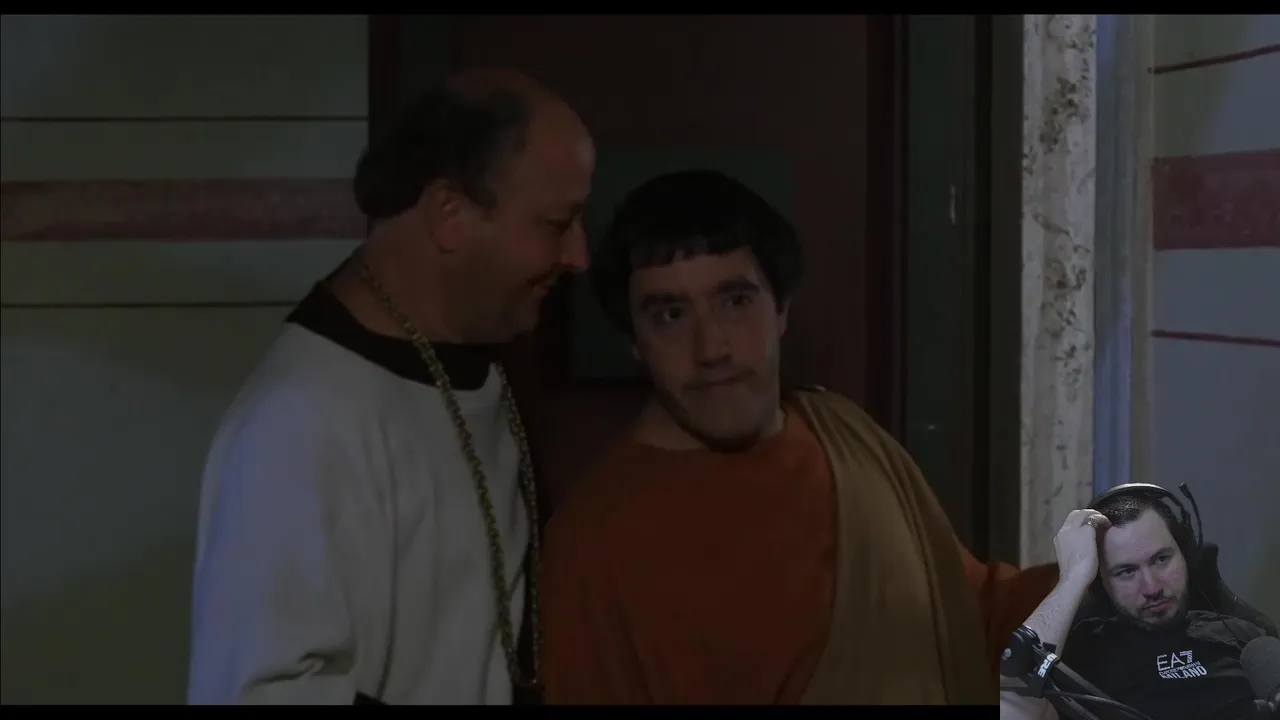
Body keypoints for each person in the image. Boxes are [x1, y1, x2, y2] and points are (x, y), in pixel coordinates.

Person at [537, 169, 1058, 705]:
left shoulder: (845, 437)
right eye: (671, 314)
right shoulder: (594, 544)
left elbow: (969, 618)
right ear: (633, 340)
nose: (711, 347)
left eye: (735, 301)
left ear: (781, 307)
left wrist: (1097, 584)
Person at [186, 68, 594, 705]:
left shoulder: (478, 358)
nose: (579, 257)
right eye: (556, 223)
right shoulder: (304, 419)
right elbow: (262, 690)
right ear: (450, 214)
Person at [998, 492, 1270, 720]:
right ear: (1100, 584)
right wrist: (1073, 577)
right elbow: (1012, 712)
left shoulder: (1247, 642)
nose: (1152, 587)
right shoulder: (1079, 656)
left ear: (1186, 555)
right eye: (1126, 572)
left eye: (1161, 559)